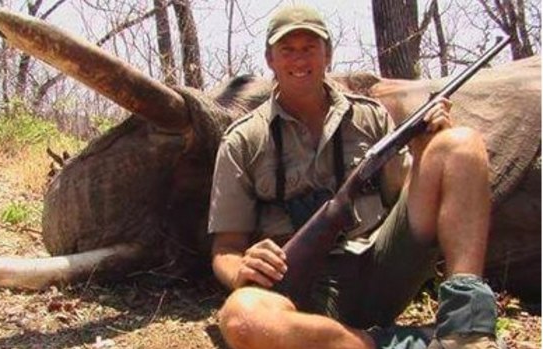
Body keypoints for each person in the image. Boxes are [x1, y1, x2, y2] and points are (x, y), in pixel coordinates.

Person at [207, 4, 500, 349]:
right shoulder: (243, 139)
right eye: (287, 50)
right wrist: (241, 269)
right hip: (301, 299)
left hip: (383, 269)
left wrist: (425, 150)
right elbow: (225, 249)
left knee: (460, 144)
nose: (299, 60)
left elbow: (408, 196)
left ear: (327, 54)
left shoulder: (370, 117)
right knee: (242, 316)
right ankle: (384, 343)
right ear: (270, 59)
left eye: (309, 48)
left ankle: (467, 330)